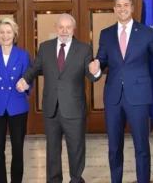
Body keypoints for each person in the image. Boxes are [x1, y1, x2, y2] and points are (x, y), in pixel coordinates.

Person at [91, 0, 153, 183]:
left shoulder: (146, 32)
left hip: (139, 97)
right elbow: (101, 60)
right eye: (118, 5)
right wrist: (95, 67)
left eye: (126, 5)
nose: (122, 9)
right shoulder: (106, 33)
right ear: (114, 9)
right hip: (113, 97)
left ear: (132, 8)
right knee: (114, 147)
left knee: (141, 147)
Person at [17, 13, 100, 183]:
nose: (64, 30)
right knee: (52, 150)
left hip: (74, 109)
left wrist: (95, 71)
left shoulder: (84, 49)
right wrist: (25, 79)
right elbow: (35, 68)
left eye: (68, 27)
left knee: (76, 149)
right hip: (51, 108)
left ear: (73, 29)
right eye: (61, 27)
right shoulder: (45, 47)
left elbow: (91, 76)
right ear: (55, 28)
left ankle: (76, 179)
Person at [0, 18, 31, 183]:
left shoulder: (23, 55)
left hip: (18, 107)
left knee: (17, 149)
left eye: (8, 32)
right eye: (2, 32)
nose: (5, 35)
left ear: (14, 34)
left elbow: (28, 79)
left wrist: (25, 84)